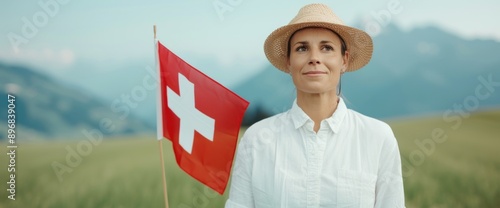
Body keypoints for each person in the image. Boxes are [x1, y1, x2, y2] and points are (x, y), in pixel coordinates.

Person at [225, 3, 405, 208]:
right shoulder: (256, 139)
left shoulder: (378, 137)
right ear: (288, 62)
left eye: (326, 48)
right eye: (302, 48)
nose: (314, 58)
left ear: (344, 60)